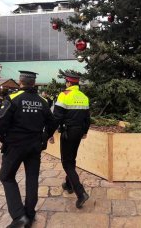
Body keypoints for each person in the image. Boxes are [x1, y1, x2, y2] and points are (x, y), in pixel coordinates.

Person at [0, 71, 56, 228]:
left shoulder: (13, 99)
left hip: (15, 145)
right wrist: (44, 136)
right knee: (32, 177)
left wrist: (5, 135)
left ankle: (19, 216)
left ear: (20, 82)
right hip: (34, 146)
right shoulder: (43, 101)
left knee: (6, 176)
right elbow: (52, 122)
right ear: (33, 83)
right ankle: (29, 214)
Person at [51, 71, 91, 209]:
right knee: (71, 159)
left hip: (68, 133)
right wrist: (85, 132)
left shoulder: (64, 95)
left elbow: (56, 117)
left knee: (66, 162)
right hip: (79, 132)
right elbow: (87, 118)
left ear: (68, 83)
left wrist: (49, 133)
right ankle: (68, 185)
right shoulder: (84, 96)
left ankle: (81, 193)